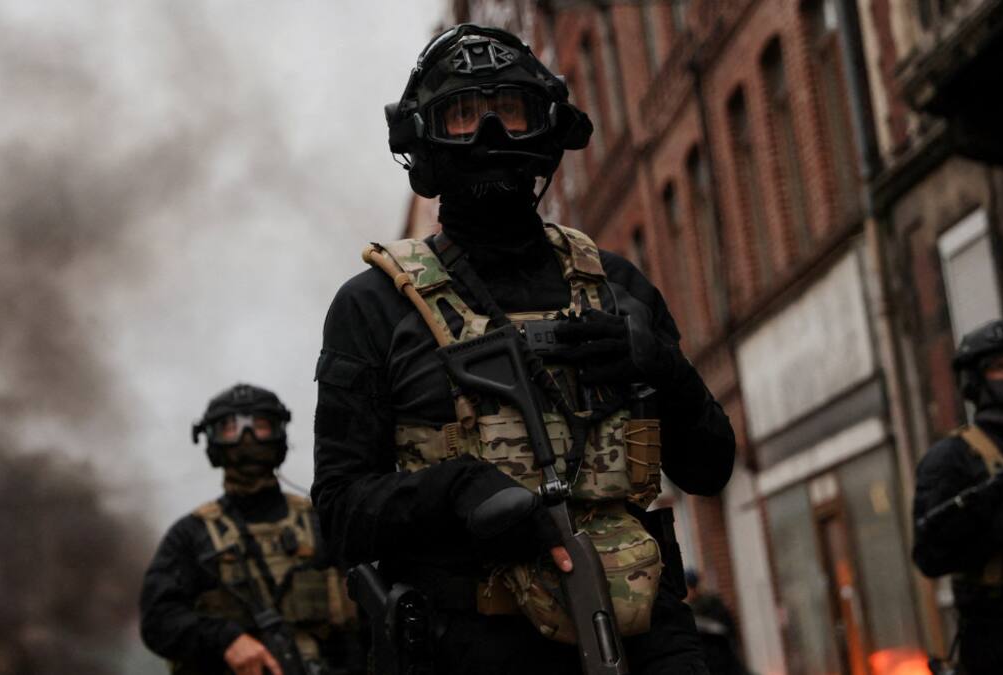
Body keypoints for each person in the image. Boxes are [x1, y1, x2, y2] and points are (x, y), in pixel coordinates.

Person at [312, 24, 735, 674]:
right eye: (464, 116)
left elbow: (709, 468)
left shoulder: (616, 286)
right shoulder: (374, 308)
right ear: (425, 141)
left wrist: (662, 367)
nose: (490, 137)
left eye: (508, 112)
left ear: (544, 126)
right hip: (467, 644)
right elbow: (338, 515)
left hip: (642, 636)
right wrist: (454, 490)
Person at [140, 384, 359, 675]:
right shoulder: (191, 536)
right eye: (231, 428)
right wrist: (225, 639)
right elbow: (157, 620)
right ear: (212, 439)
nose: (247, 438)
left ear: (279, 432)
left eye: (260, 425)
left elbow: (375, 611)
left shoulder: (323, 523)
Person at [912, 318, 1003, 674]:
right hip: (1001, 640)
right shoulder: (952, 458)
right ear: (976, 381)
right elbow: (931, 556)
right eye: (1001, 367)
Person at [684, 570, 748, 675]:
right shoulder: (690, 609)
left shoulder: (711, 604)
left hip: (719, 657)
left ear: (692, 588)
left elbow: (727, 629)